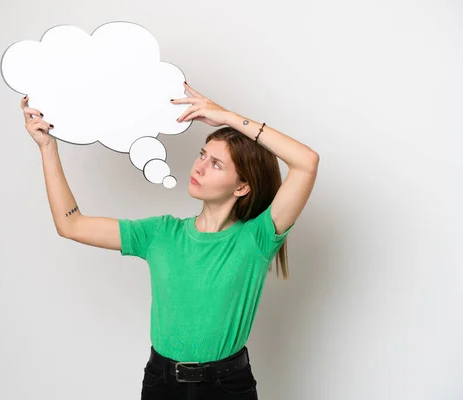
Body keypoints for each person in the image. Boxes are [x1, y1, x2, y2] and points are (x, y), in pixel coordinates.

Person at [20, 82, 319, 399]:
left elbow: (306, 162)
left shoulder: (256, 239)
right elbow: (71, 224)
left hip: (227, 387)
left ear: (241, 187)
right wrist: (47, 148)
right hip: (161, 384)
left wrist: (229, 118)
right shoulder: (160, 233)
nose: (199, 167)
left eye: (216, 164)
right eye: (202, 155)